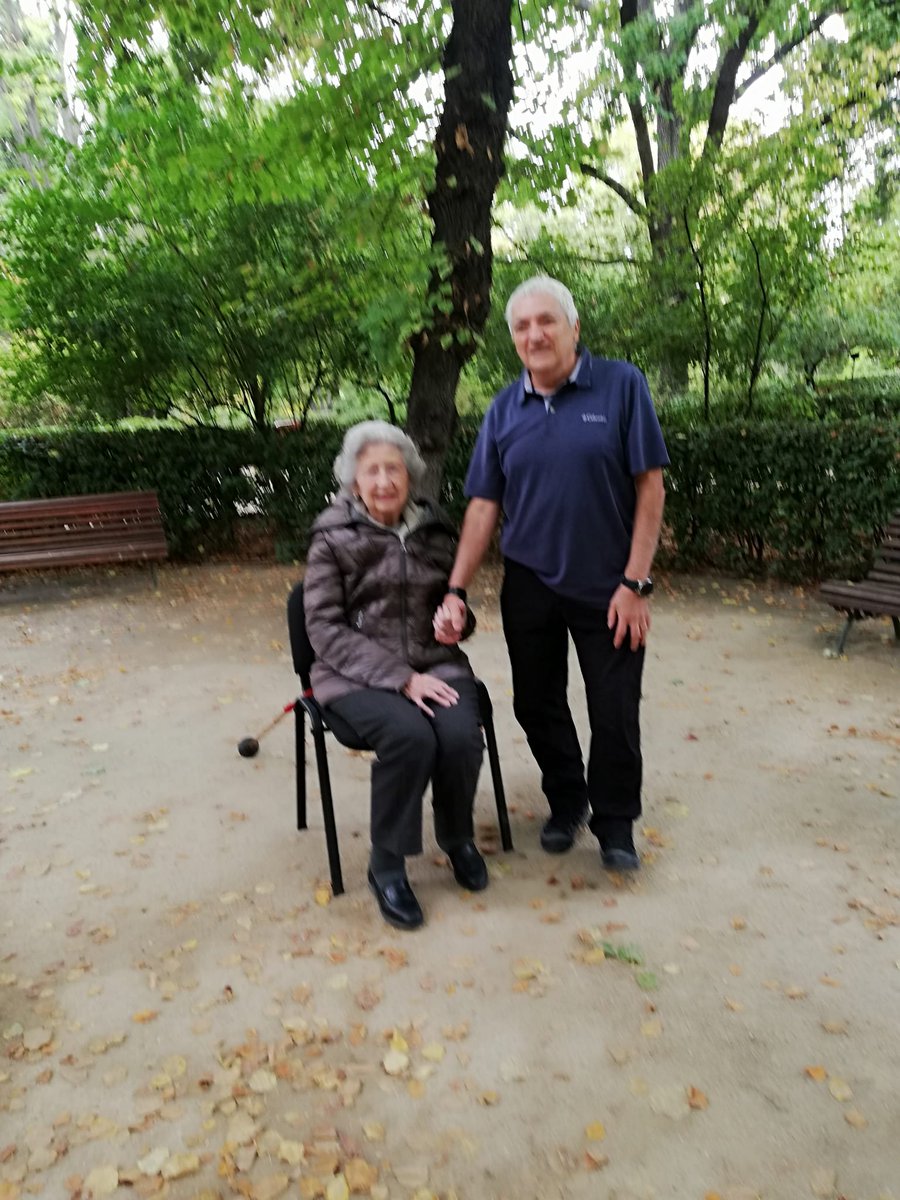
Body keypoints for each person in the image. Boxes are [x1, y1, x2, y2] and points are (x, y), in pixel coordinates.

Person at [434, 276, 668, 871]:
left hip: (610, 583)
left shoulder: (621, 385)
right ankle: (569, 801)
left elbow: (650, 487)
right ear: (513, 338)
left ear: (573, 328)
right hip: (531, 582)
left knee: (613, 707)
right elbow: (484, 505)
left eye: (547, 321)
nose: (535, 334)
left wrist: (637, 583)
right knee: (536, 704)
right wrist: (456, 587)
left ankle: (616, 822)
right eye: (522, 326)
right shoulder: (502, 410)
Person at [303, 420, 488, 931]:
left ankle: (456, 838)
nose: (384, 480)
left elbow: (457, 606)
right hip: (353, 674)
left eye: (394, 469)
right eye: (372, 471)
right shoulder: (332, 539)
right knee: (409, 737)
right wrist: (401, 679)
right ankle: (386, 865)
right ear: (353, 481)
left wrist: (457, 621)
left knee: (458, 737)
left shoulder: (434, 531)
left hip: (436, 663)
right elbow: (322, 628)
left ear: (409, 476)